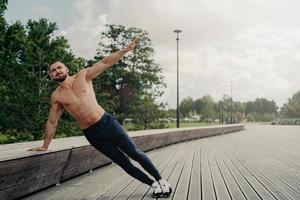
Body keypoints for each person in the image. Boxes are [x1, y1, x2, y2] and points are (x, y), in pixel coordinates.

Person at [28, 38, 172, 198]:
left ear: (66, 68)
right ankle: (153, 185)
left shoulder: (83, 76)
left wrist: (124, 51)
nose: (57, 71)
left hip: (107, 123)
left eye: (59, 67)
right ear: (51, 75)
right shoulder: (56, 96)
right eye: (53, 70)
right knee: (123, 163)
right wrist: (45, 145)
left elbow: (104, 62)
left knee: (135, 153)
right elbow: (52, 121)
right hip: (92, 134)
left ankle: (162, 181)